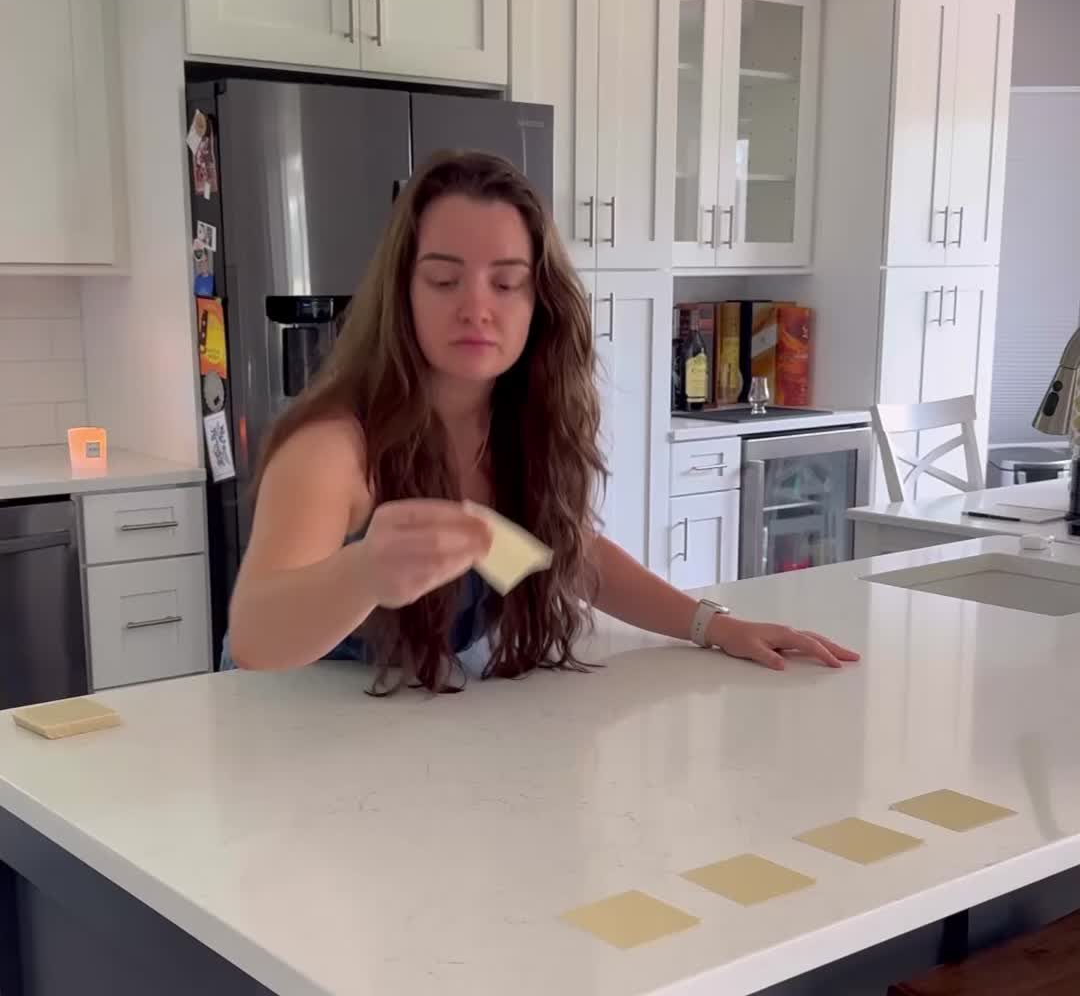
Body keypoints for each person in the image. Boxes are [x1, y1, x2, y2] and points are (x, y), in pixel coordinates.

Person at [226, 151, 857, 688]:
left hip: (407, 736)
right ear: (403, 295)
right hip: (284, 744)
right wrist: (362, 571)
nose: (476, 307)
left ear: (539, 303)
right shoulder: (335, 448)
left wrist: (714, 627)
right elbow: (257, 636)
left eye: (506, 284)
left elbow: (562, 557)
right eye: (444, 281)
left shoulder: (513, 429)